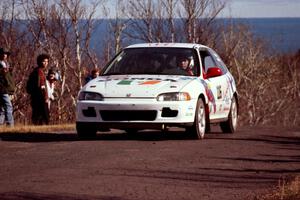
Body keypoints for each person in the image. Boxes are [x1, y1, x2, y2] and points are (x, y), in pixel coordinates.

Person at [26, 53, 50, 125]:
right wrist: (44, 96)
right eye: (44, 61)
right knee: (42, 114)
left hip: (39, 96)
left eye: (47, 61)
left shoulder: (41, 71)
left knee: (41, 114)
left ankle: (40, 128)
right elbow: (40, 85)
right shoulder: (38, 72)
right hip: (39, 96)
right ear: (40, 62)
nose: (46, 63)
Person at [0, 48, 15, 127]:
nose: (4, 55)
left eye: (6, 54)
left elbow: (10, 80)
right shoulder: (2, 66)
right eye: (2, 53)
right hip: (3, 90)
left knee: (2, 109)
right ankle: (10, 125)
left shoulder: (7, 64)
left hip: (7, 89)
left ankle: (1, 126)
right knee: (8, 106)